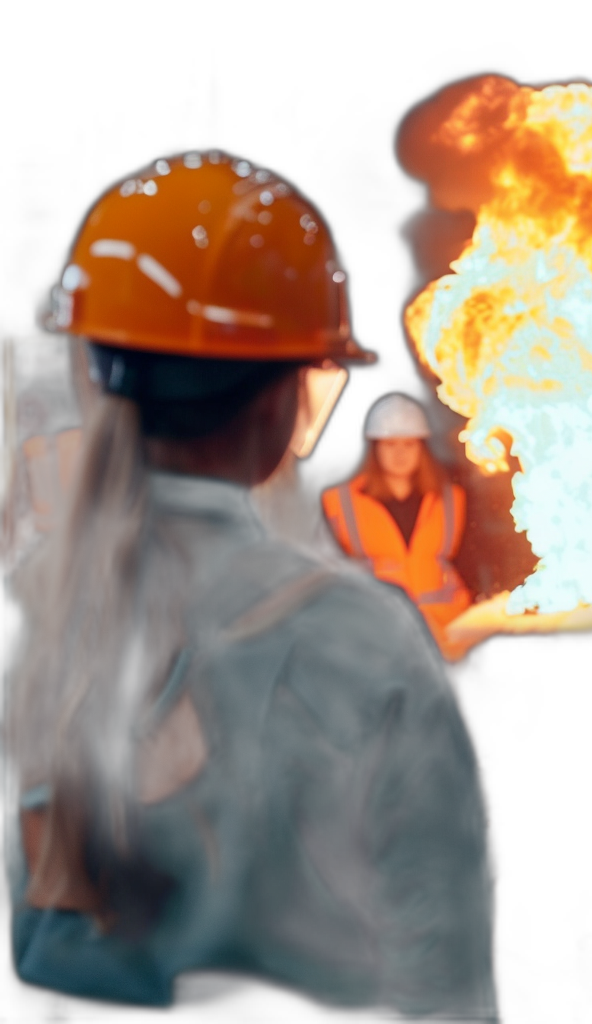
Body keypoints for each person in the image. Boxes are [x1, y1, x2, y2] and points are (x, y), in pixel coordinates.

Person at [1, 154, 498, 1022]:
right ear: (285, 399)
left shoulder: (19, 625)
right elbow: (443, 987)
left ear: (95, 369)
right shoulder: (368, 647)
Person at [320, 394, 473, 648]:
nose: (400, 454)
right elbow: (323, 572)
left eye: (409, 444)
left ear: (422, 448)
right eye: (390, 445)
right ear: (375, 448)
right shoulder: (341, 503)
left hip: (446, 637)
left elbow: (471, 563)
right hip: (375, 638)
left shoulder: (450, 500)